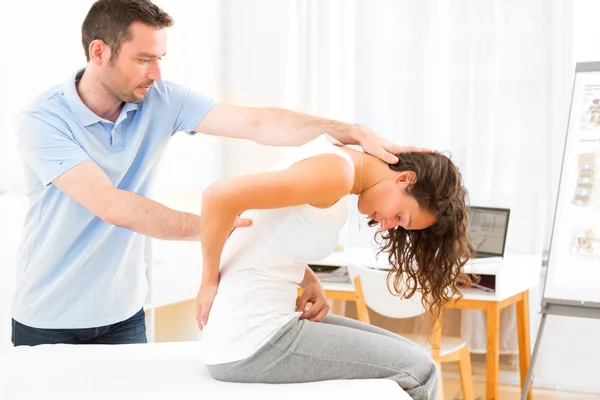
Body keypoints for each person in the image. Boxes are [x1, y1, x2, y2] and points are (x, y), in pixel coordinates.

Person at [11, 0, 423, 346]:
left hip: (125, 314)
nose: (155, 73)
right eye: (143, 59)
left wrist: (350, 132)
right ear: (98, 52)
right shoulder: (44, 119)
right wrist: (216, 225)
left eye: (159, 59)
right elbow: (111, 205)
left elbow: (259, 124)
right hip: (50, 318)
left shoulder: (161, 98)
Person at [197, 134, 475, 399]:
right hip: (252, 340)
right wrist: (209, 280)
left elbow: (268, 230)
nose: (389, 225)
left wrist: (310, 281)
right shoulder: (337, 173)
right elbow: (218, 197)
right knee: (422, 372)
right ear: (404, 179)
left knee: (419, 359)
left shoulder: (336, 161)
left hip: (253, 330)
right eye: (401, 216)